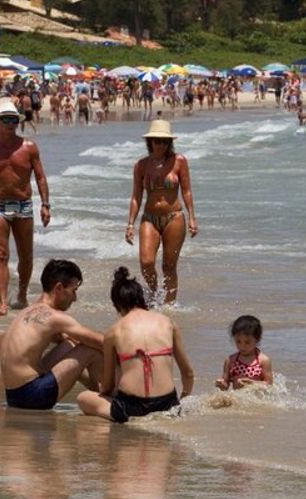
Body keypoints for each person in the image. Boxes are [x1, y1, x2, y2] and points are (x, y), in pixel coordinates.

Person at [77, 267, 195, 423]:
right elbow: (188, 373)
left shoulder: (113, 332)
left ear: (117, 305)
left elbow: (108, 384)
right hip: (168, 404)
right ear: (142, 299)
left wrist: (103, 391)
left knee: (83, 398)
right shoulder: (168, 323)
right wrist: (183, 398)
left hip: (132, 408)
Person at [0, 99, 51, 316]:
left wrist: (45, 204)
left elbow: (40, 177)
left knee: (26, 256)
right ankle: (2, 302)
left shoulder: (29, 147)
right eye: (5, 120)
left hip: (24, 205)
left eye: (13, 120)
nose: (10, 124)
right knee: (1, 255)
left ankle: (21, 293)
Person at [0, 259, 104, 410]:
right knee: (89, 350)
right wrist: (133, 349)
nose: (75, 298)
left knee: (69, 345)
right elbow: (100, 342)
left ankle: (101, 391)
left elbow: (65, 339)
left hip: (13, 395)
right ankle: (110, 395)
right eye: (73, 291)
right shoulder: (54, 317)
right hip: (32, 396)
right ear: (59, 288)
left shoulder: (28, 311)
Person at [126, 120, 197, 306]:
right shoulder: (141, 165)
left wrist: (192, 218)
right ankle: (153, 294)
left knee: (169, 266)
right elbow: (136, 196)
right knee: (147, 262)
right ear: (150, 142)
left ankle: (169, 305)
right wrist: (130, 224)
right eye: (157, 141)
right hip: (149, 218)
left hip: (174, 217)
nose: (161, 145)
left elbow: (187, 191)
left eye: (165, 141)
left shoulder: (179, 161)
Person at [215, 315, 274, 389]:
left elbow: (269, 385)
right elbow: (225, 386)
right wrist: (222, 384)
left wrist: (252, 383)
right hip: (238, 399)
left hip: (255, 400)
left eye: (247, 342)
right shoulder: (230, 360)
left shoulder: (263, 360)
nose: (242, 346)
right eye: (238, 341)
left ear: (257, 340)